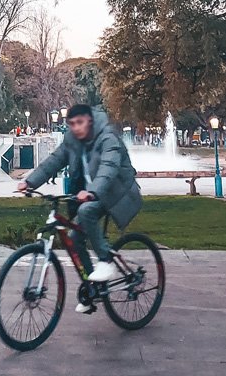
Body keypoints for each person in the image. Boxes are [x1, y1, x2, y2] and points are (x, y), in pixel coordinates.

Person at [16, 105, 142, 312]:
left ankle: (105, 260)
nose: (76, 128)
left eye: (80, 123)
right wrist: (30, 182)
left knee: (86, 212)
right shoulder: (72, 141)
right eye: (71, 124)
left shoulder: (107, 137)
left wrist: (92, 192)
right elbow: (53, 162)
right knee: (74, 239)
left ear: (90, 121)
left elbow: (108, 169)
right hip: (88, 193)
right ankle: (92, 288)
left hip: (114, 190)